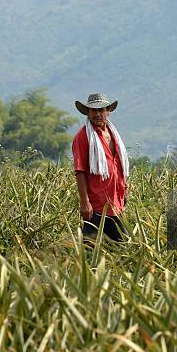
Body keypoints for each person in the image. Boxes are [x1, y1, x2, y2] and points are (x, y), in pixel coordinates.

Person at [72, 93, 130, 243]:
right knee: (90, 248)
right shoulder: (83, 136)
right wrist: (85, 202)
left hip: (115, 203)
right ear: (88, 112)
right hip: (96, 205)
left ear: (108, 111)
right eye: (93, 110)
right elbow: (80, 171)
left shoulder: (114, 134)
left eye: (101, 110)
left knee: (122, 247)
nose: (97, 114)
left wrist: (125, 189)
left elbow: (119, 166)